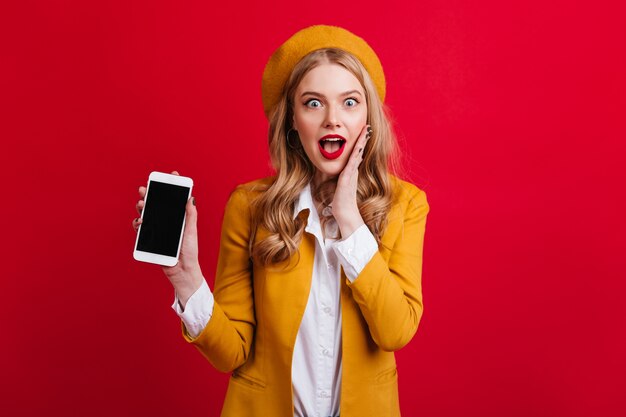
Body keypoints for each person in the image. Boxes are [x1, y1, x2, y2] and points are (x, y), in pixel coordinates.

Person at [132, 25, 429, 417]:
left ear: (368, 119)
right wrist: (186, 277)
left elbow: (395, 331)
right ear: (291, 120)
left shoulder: (405, 205)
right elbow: (231, 352)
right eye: (313, 103)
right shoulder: (250, 206)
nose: (333, 120)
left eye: (350, 103)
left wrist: (349, 220)